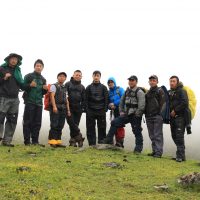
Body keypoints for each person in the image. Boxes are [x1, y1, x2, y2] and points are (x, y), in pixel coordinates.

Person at [104, 75, 145, 154]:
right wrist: (121, 112)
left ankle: (138, 149)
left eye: (132, 80)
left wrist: (137, 114)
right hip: (126, 114)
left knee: (137, 131)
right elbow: (121, 103)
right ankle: (108, 139)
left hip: (135, 115)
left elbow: (142, 105)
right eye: (129, 80)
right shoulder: (127, 91)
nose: (131, 82)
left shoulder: (139, 92)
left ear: (136, 82)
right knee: (114, 122)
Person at [0, 53, 25, 147]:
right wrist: (4, 78)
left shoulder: (18, 71)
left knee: (12, 120)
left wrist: (29, 86)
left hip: (15, 98)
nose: (14, 60)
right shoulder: (2, 68)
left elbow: (22, 84)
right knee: (0, 118)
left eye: (16, 59)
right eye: (12, 58)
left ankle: (7, 141)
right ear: (8, 59)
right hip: (3, 97)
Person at [23, 59, 48, 145]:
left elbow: (43, 93)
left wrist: (45, 90)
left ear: (42, 68)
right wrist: (29, 85)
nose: (38, 67)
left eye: (40, 66)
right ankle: (27, 141)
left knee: (37, 123)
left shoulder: (43, 79)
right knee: (27, 121)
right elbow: (23, 87)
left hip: (39, 103)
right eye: (37, 66)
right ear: (34, 67)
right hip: (29, 101)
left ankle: (35, 141)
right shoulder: (28, 76)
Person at [85, 70, 108, 146]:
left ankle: (101, 143)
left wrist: (105, 109)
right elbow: (86, 99)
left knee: (102, 127)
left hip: (101, 110)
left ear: (100, 77)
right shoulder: (88, 87)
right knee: (90, 128)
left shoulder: (104, 87)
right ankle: (92, 144)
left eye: (97, 76)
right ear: (92, 77)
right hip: (90, 110)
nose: (96, 77)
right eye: (95, 76)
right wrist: (87, 110)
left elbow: (106, 99)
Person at [169, 76, 189, 162]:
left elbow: (185, 102)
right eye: (170, 81)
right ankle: (182, 155)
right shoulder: (170, 92)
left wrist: (175, 110)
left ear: (177, 82)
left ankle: (179, 156)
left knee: (179, 136)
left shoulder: (182, 91)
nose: (172, 83)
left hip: (181, 117)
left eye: (173, 81)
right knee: (174, 136)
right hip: (172, 118)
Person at [145, 75, 165, 158]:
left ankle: (158, 152)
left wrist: (160, 114)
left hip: (157, 116)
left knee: (157, 135)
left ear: (157, 82)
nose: (152, 82)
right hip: (148, 116)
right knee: (152, 135)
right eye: (151, 80)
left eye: (154, 80)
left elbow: (164, 103)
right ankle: (154, 151)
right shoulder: (148, 92)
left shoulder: (160, 90)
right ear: (149, 82)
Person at [48, 72, 70, 147]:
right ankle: (52, 141)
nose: (61, 77)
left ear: (65, 78)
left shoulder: (65, 87)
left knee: (61, 125)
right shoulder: (54, 86)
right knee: (54, 124)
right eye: (60, 76)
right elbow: (52, 96)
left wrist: (68, 110)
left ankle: (58, 141)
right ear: (57, 77)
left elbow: (67, 99)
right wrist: (54, 107)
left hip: (63, 108)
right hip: (55, 107)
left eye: (63, 76)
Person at [65, 70, 85, 147]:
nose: (78, 76)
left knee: (75, 125)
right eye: (76, 75)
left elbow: (84, 99)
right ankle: (79, 137)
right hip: (69, 108)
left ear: (81, 77)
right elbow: (65, 96)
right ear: (73, 75)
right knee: (71, 123)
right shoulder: (67, 84)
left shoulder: (82, 87)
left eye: (79, 75)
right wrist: (67, 107)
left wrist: (82, 107)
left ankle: (72, 141)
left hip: (78, 109)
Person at [107, 77, 125, 147]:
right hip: (113, 111)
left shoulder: (120, 89)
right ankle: (116, 141)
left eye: (111, 82)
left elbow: (123, 99)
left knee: (120, 125)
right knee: (113, 125)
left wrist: (114, 104)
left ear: (114, 82)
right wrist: (110, 106)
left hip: (120, 110)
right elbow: (108, 102)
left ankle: (120, 142)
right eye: (109, 82)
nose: (110, 83)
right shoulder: (109, 92)